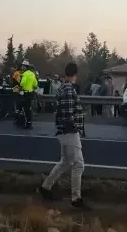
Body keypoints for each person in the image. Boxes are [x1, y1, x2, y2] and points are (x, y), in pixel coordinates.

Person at [37, 62, 91, 210]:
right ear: (75, 74)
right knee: (78, 164)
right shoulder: (68, 89)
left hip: (64, 130)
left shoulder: (63, 87)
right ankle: (76, 198)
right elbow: (67, 113)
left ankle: (45, 187)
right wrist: (74, 126)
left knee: (65, 162)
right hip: (69, 131)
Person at [18, 60, 38, 129]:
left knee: (24, 108)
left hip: (25, 93)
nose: (21, 67)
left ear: (25, 67)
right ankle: (29, 123)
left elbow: (22, 83)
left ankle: (26, 123)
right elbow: (35, 84)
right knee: (29, 108)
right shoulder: (32, 74)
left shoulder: (25, 74)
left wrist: (21, 88)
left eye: (23, 66)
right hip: (31, 93)